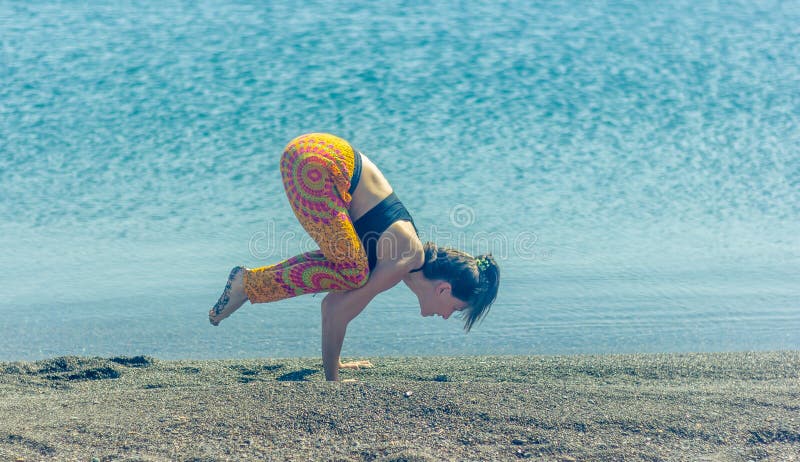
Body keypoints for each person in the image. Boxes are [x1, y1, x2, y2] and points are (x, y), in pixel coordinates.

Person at [209, 133, 499, 381]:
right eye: (456, 309)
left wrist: (334, 364)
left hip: (315, 156)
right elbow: (336, 310)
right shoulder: (406, 258)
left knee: (351, 271)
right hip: (316, 165)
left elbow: (334, 305)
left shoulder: (400, 255)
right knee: (354, 274)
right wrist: (333, 382)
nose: (446, 316)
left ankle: (248, 284)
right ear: (444, 288)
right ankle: (246, 284)